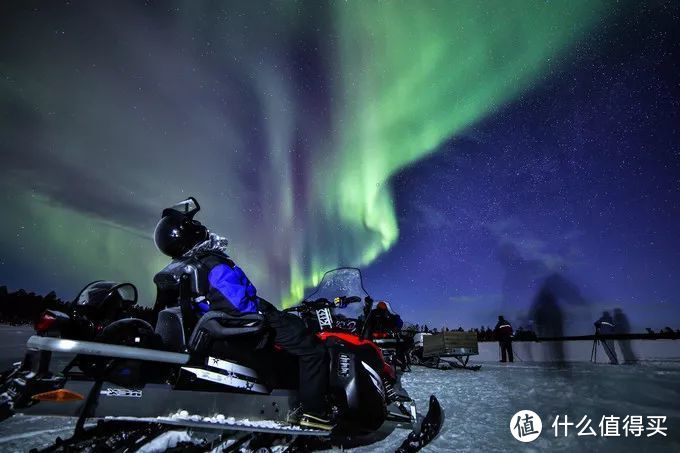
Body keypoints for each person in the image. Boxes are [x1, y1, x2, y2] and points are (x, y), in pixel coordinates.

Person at [151, 198, 332, 430]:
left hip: (212, 325)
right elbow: (241, 309)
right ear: (191, 233)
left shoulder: (179, 269)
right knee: (313, 349)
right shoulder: (211, 264)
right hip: (247, 320)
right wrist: (265, 318)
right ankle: (314, 412)